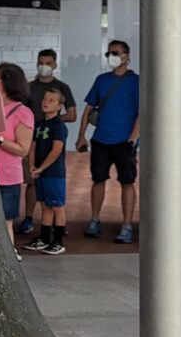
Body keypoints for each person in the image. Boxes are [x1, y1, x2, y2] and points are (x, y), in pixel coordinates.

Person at [76, 40, 140, 243]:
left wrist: (132, 139)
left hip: (124, 142)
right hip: (101, 140)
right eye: (109, 53)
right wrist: (81, 135)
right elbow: (88, 108)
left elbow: (141, 112)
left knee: (127, 182)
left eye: (116, 52)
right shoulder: (101, 80)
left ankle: (127, 225)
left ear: (127, 57)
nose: (111, 56)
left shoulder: (136, 81)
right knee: (98, 179)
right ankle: (95, 219)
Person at [17, 49, 77, 235]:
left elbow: (72, 114)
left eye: (48, 63)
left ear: (55, 65)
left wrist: (50, 123)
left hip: (48, 141)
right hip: (32, 140)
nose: (44, 66)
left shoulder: (62, 88)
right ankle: (28, 219)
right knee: (32, 182)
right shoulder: (29, 88)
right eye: (41, 62)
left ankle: (58, 228)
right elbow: (21, 113)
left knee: (53, 193)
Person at [0, 63, 35, 260]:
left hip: (7, 176)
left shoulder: (22, 112)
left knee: (6, 219)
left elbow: (23, 149)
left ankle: (8, 255)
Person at [22, 89, 68, 255]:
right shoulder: (40, 125)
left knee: (57, 206)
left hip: (54, 173)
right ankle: (44, 238)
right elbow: (33, 147)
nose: (46, 102)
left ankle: (58, 240)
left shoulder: (59, 126)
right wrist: (32, 165)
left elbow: (56, 150)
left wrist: (42, 167)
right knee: (45, 205)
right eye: (44, 99)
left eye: (51, 100)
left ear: (60, 106)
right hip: (40, 172)